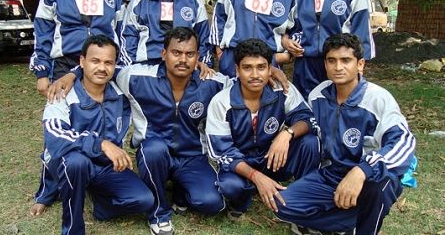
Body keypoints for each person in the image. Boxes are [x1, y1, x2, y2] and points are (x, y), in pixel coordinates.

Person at [52, 27, 232, 235]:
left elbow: (243, 85)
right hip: (155, 153)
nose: (183, 60)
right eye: (176, 53)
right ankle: (159, 214)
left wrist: (272, 71)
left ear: (198, 57)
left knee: (213, 204)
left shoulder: (212, 83)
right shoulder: (137, 78)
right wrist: (71, 75)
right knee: (153, 149)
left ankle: (181, 191)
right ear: (164, 54)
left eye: (190, 54)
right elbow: (102, 68)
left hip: (192, 156)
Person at [275, 33, 416, 235]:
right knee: (281, 205)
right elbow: (308, 121)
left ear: (360, 64)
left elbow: (404, 142)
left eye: (346, 60)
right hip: (332, 174)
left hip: (369, 176)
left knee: (379, 185)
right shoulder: (319, 95)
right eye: (332, 61)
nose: (338, 67)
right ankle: (348, 222)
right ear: (325, 64)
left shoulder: (377, 98)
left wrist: (362, 170)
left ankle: (363, 225)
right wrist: (286, 133)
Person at [28, 0, 123, 215]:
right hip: (63, 66)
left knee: (95, 122)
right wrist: (42, 73)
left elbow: (119, 34)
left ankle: (92, 176)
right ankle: (48, 191)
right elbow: (42, 31)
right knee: (57, 133)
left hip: (100, 64)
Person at [41, 35, 154, 235]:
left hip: (105, 165)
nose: (102, 68)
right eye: (95, 61)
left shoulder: (121, 90)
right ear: (82, 62)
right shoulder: (63, 91)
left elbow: (155, 72)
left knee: (144, 200)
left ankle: (100, 207)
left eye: (108, 62)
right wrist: (101, 144)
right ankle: (73, 229)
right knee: (76, 163)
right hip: (76, 160)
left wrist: (196, 65)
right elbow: (54, 137)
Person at [205, 38, 320, 219]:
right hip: (241, 165)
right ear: (237, 70)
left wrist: (286, 134)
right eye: (247, 67)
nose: (255, 74)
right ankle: (244, 198)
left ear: (270, 69)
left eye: (261, 67)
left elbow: (307, 119)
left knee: (310, 142)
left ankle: (302, 196)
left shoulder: (282, 90)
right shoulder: (222, 102)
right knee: (231, 186)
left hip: (272, 159)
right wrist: (256, 176)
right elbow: (222, 152)